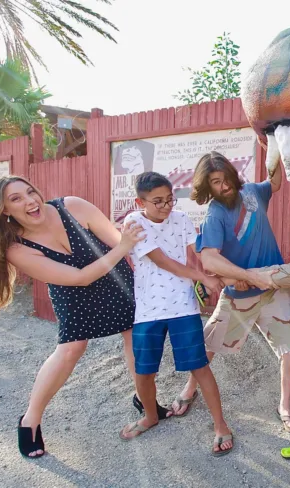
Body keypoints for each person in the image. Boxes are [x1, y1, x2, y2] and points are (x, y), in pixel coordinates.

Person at [0, 175, 147, 459]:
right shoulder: (16, 248)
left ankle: (146, 400)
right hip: (74, 291)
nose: (30, 201)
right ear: (4, 210)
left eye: (30, 192)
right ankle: (30, 420)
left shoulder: (73, 207)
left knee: (134, 335)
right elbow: (80, 277)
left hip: (116, 279)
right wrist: (123, 246)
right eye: (16, 199)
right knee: (71, 349)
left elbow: (118, 239)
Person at [172, 151, 290, 434]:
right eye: (215, 182)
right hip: (239, 295)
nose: (223, 186)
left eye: (225, 178)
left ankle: (284, 406)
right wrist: (242, 275)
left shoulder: (253, 192)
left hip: (273, 289)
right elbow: (209, 259)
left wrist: (276, 150)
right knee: (208, 347)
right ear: (208, 187)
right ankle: (190, 388)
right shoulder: (215, 214)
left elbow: (276, 182)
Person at [118, 172, 234, 455]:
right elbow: (163, 261)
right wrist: (202, 277)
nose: (166, 206)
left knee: (199, 365)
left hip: (183, 306)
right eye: (158, 202)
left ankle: (221, 425)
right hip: (148, 310)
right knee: (143, 372)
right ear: (140, 201)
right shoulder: (134, 222)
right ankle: (150, 415)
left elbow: (196, 252)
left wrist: (214, 272)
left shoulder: (181, 219)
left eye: (169, 199)